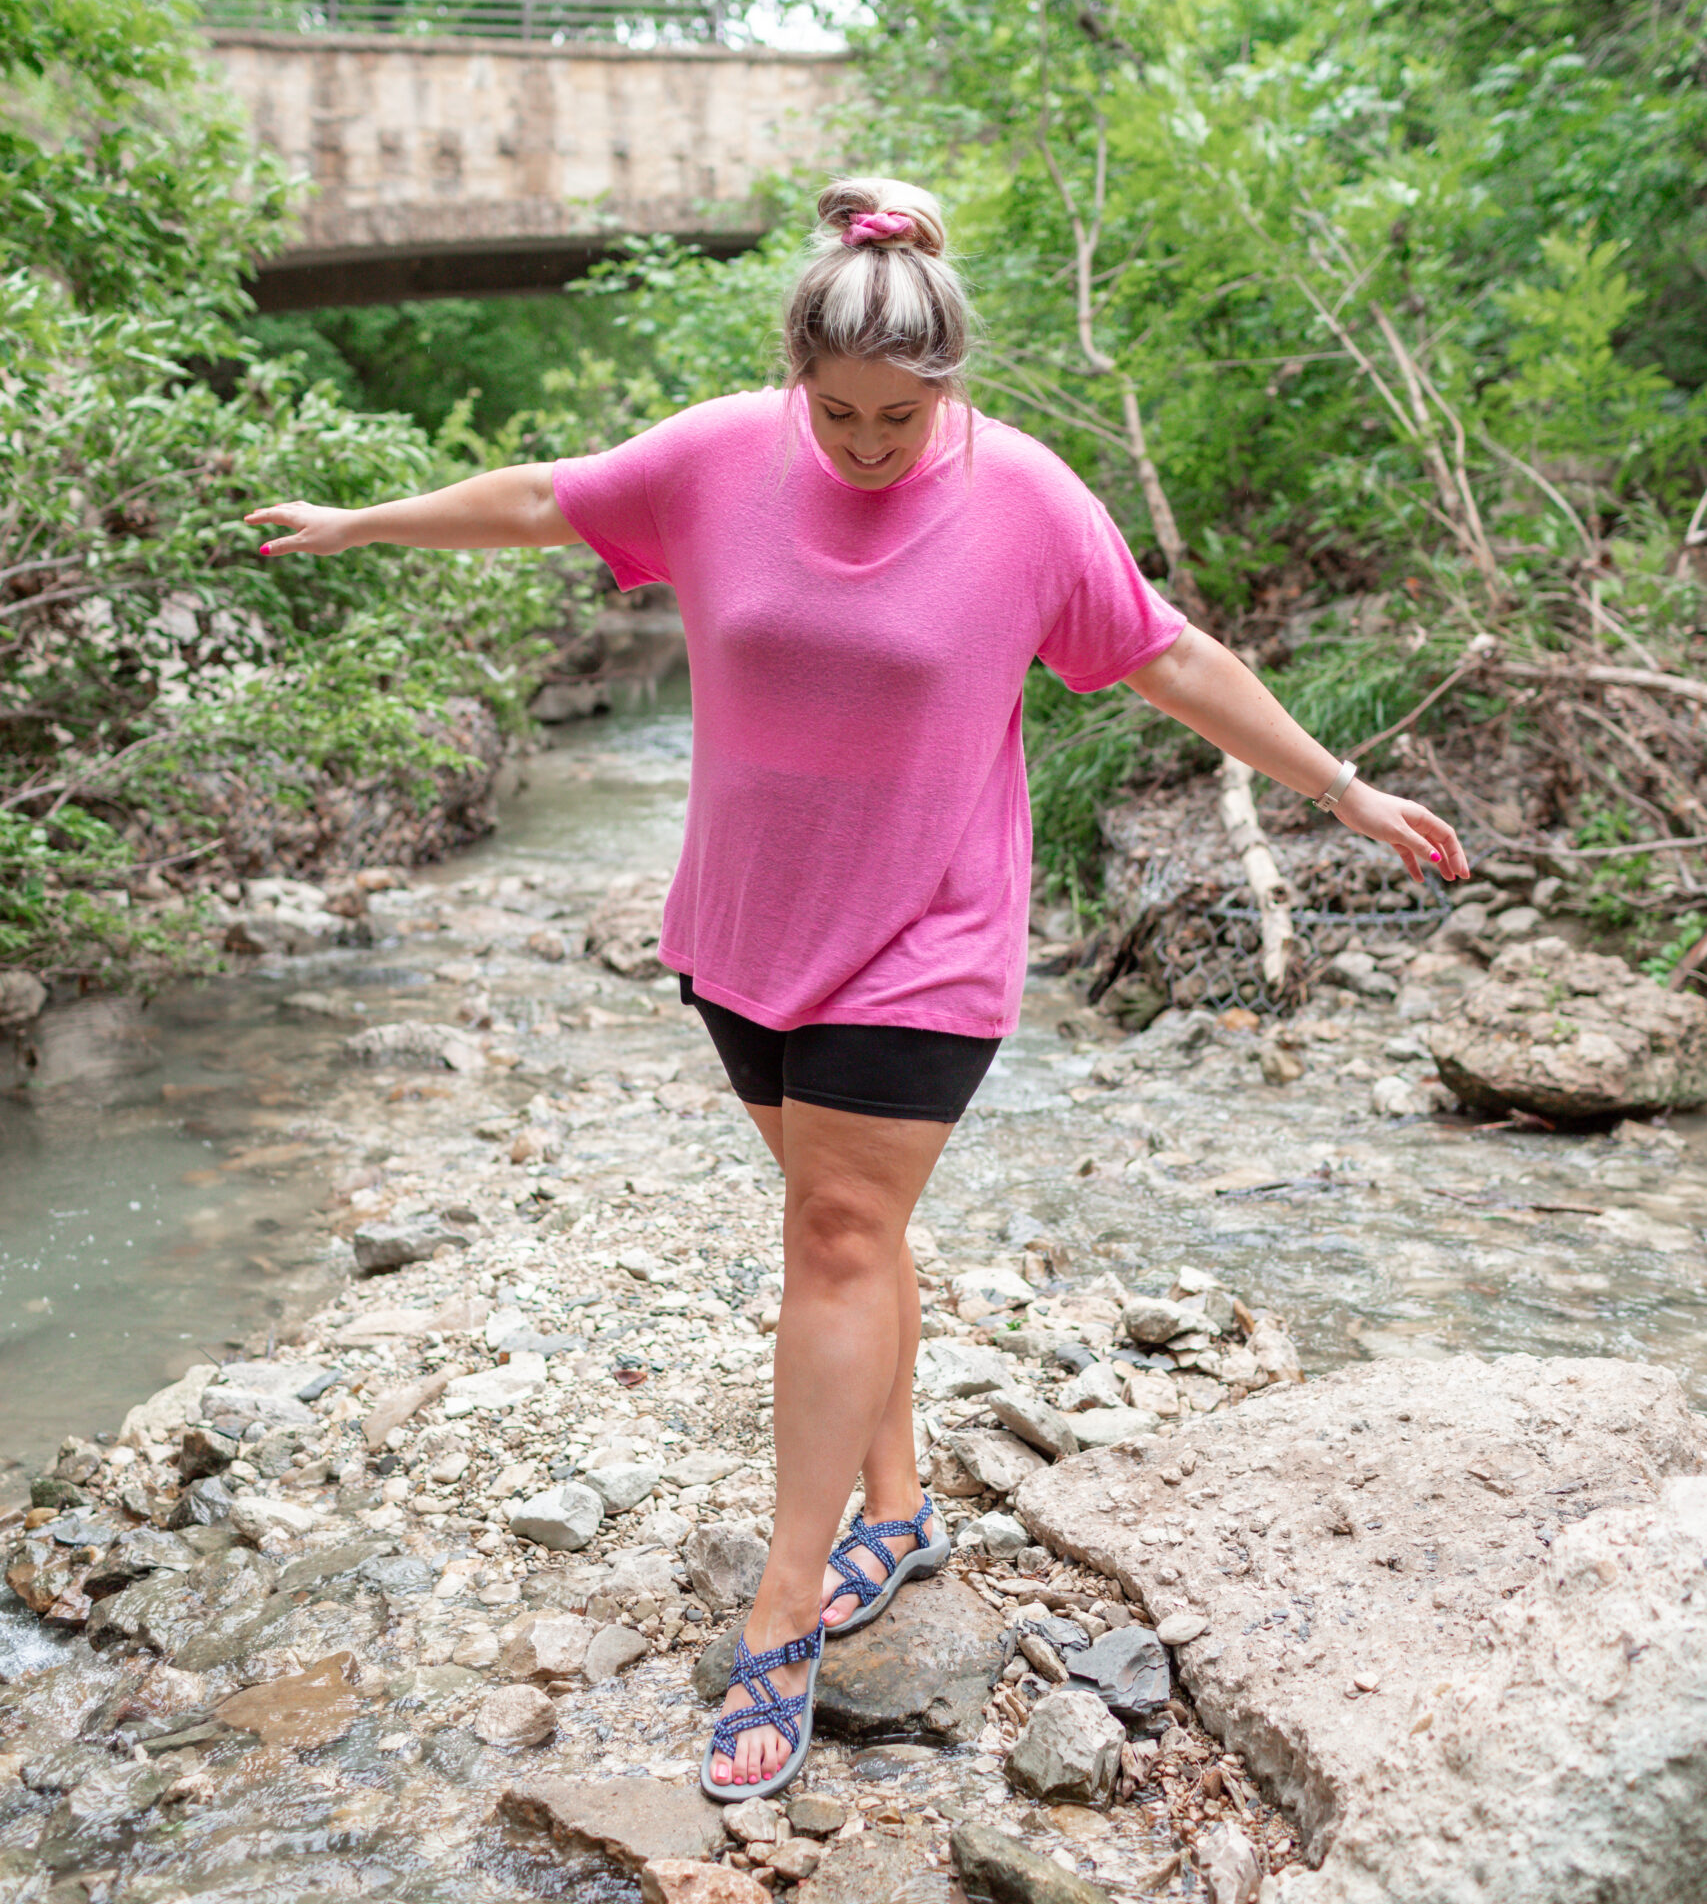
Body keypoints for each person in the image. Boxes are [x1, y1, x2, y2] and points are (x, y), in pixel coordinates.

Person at [246, 175, 1469, 1801]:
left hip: (932, 933)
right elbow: (548, 497)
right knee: (855, 1229)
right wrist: (360, 524)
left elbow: (1168, 654)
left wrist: (1345, 791)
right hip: (748, 928)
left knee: (830, 1236)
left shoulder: (1026, 499)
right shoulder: (714, 459)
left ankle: (783, 1612)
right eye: (841, 412)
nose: (873, 444)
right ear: (795, 377)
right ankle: (896, 1507)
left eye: (905, 415)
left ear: (949, 385)